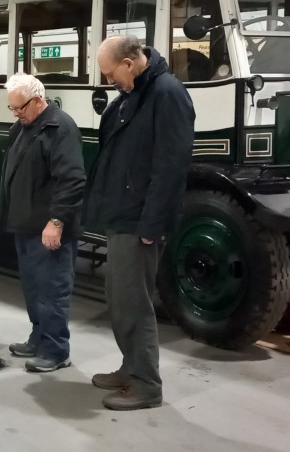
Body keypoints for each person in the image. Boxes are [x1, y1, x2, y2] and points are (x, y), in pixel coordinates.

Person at [85, 35, 195, 411]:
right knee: (119, 299)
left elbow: (171, 165)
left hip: (140, 220)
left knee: (135, 303)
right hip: (121, 214)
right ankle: (130, 367)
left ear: (130, 64)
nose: (108, 80)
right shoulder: (132, 96)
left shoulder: (166, 93)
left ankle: (147, 384)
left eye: (110, 73)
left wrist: (152, 224)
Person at [0, 73, 86, 373]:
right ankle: (39, 338)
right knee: (35, 289)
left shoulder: (60, 127)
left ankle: (56, 349)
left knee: (52, 290)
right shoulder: (24, 127)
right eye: (12, 108)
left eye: (19, 107)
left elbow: (72, 180)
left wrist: (57, 220)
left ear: (37, 100)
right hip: (26, 225)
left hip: (48, 228)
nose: (16, 113)